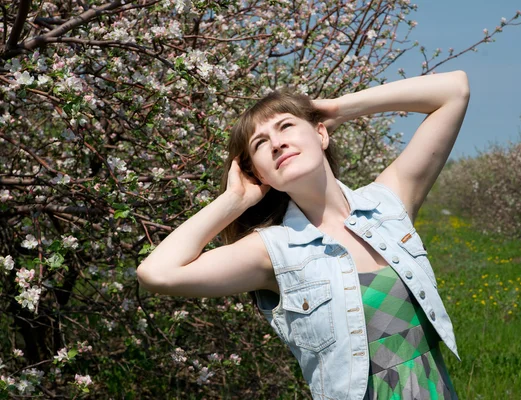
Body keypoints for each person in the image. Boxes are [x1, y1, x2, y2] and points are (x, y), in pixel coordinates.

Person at [136, 70, 470, 399]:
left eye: (286, 126)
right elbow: (157, 273)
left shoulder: (388, 205)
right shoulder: (273, 251)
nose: (277, 143)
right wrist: (233, 201)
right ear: (257, 173)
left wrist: (338, 108)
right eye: (260, 144)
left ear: (321, 134)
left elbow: (454, 90)